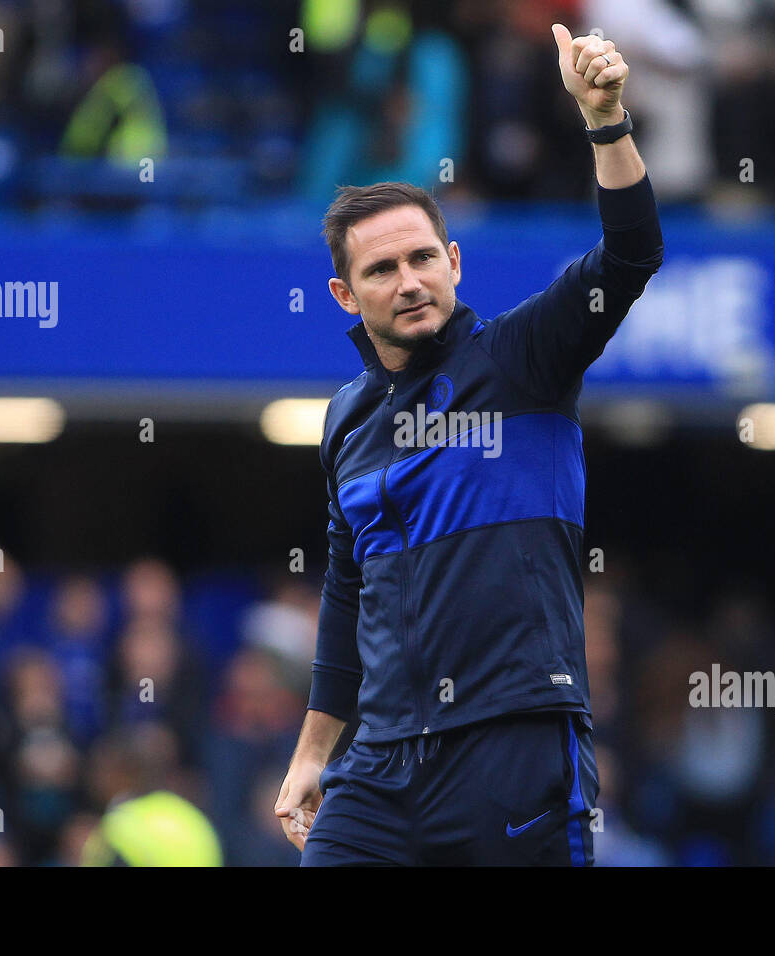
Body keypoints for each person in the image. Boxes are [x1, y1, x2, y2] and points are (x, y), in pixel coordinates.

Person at [275, 24, 663, 865]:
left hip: (514, 746)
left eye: (423, 258)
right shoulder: (345, 419)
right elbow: (348, 595)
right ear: (345, 294)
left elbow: (632, 253)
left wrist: (605, 119)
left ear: (454, 261)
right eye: (382, 271)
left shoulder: (525, 358)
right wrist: (313, 753)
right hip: (377, 765)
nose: (409, 281)